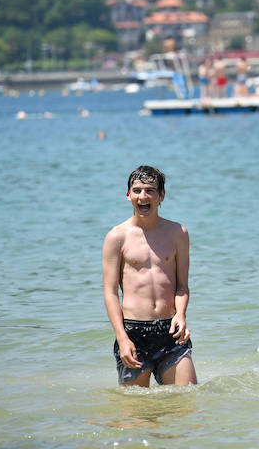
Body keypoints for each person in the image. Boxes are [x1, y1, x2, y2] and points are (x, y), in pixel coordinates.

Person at [102, 165, 197, 387]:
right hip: (133, 333)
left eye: (150, 190)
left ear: (161, 195)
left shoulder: (177, 233)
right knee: (137, 416)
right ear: (128, 195)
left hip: (171, 332)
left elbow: (182, 286)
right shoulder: (116, 237)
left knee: (186, 405)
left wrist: (181, 315)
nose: (143, 196)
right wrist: (122, 338)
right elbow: (110, 292)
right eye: (136, 190)